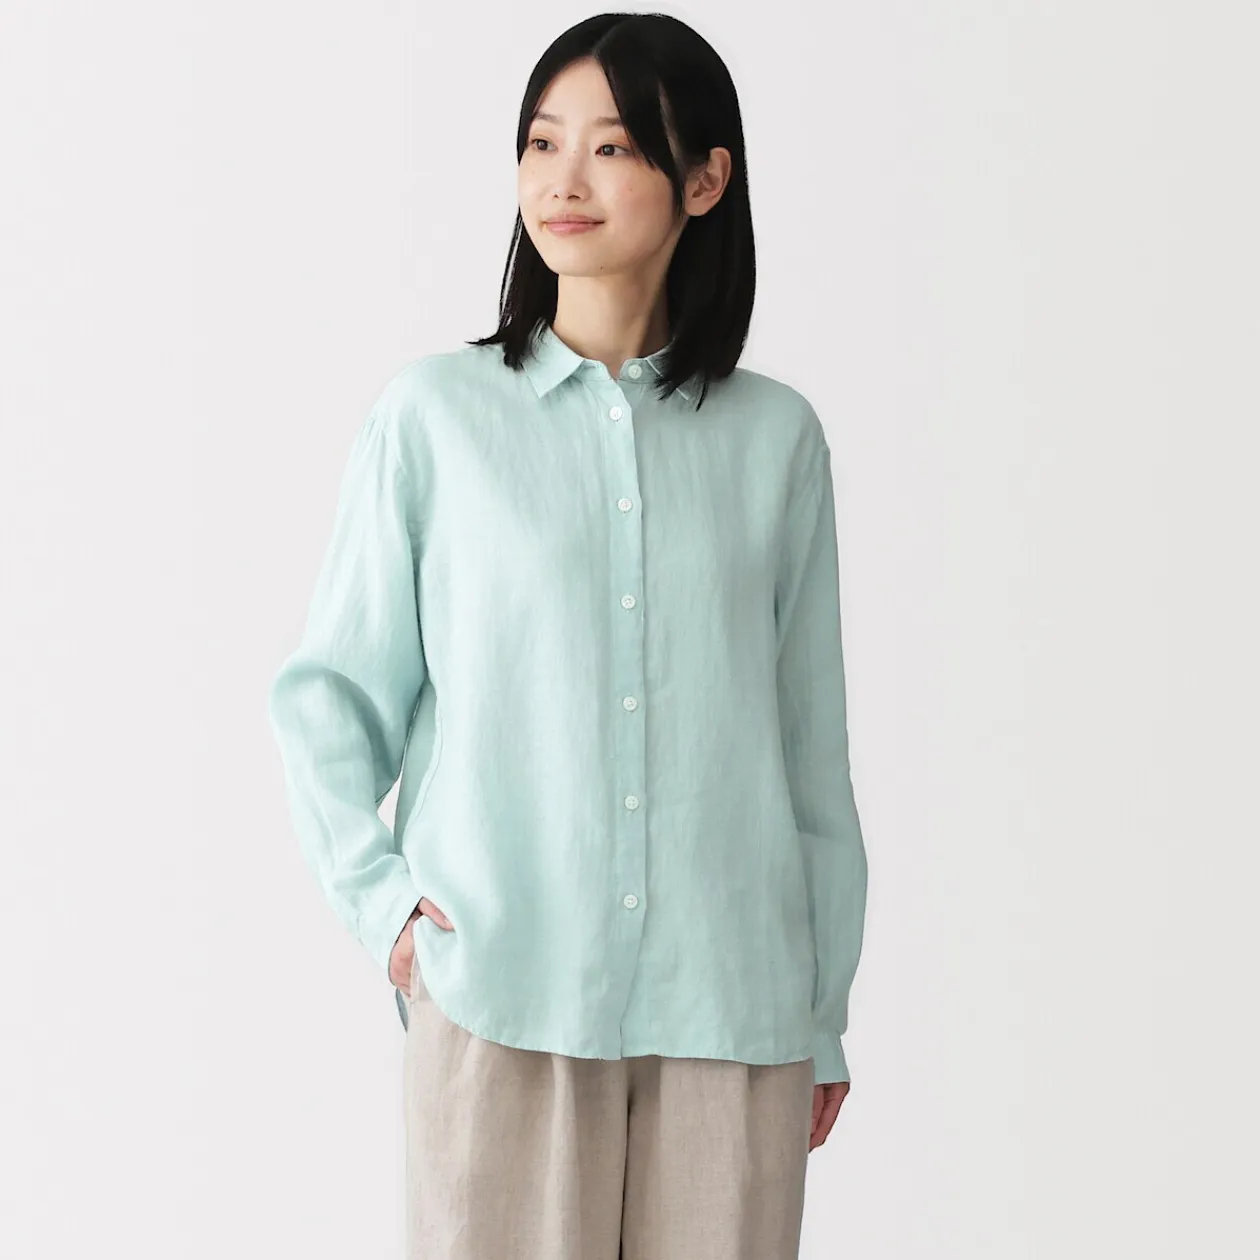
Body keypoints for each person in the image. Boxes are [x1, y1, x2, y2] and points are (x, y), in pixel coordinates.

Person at [267, 12, 869, 1259]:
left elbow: (811, 758)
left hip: (735, 1014)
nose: (563, 180)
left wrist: (821, 1013)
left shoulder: (778, 442)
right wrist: (388, 915)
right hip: (501, 997)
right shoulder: (434, 419)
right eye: (541, 143)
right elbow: (329, 697)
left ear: (704, 179)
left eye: (612, 146)